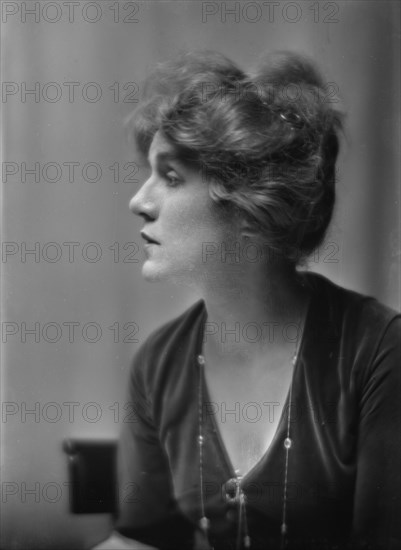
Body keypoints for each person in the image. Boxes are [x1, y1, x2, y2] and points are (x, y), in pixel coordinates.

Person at [93, 51, 401, 550]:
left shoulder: (377, 353)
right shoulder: (159, 364)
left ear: (248, 202)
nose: (139, 201)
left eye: (171, 178)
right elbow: (142, 540)